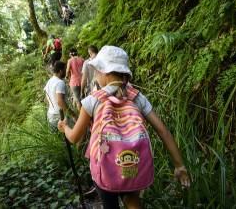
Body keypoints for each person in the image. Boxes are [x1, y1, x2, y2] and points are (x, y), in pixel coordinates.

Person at [58, 46, 190, 209]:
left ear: (103, 72)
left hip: (104, 167)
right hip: (131, 163)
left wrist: (65, 127)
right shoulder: (137, 97)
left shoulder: (93, 100)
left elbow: (74, 137)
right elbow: (163, 131)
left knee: (109, 202)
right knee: (131, 199)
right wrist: (179, 165)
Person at [44, 61, 77, 130]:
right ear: (60, 71)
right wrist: (73, 115)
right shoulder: (60, 83)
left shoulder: (49, 82)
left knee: (58, 139)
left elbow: (46, 99)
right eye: (65, 70)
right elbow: (60, 101)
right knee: (72, 136)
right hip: (60, 116)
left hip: (50, 115)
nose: (66, 72)